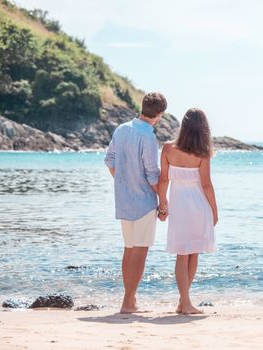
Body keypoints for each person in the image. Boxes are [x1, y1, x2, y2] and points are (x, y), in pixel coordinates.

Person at [104, 92, 167, 314]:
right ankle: (128, 303)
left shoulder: (121, 129)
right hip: (143, 202)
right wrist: (162, 201)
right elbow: (152, 175)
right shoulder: (148, 137)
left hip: (124, 200)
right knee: (140, 252)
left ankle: (129, 300)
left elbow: (109, 160)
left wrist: (124, 181)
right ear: (159, 115)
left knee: (129, 250)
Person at [158, 108, 218, 315]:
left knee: (181, 254)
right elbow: (207, 185)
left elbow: (163, 179)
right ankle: (185, 302)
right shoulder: (203, 152)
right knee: (192, 253)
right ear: (203, 128)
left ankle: (184, 302)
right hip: (199, 206)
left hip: (179, 206)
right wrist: (214, 210)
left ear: (183, 125)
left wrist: (162, 204)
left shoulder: (167, 149)